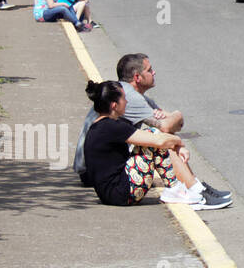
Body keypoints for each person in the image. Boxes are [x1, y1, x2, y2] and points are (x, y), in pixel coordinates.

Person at [80, 79, 231, 210]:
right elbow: (157, 140)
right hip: (122, 193)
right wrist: (179, 143)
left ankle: (186, 188)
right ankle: (177, 189)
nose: (126, 102)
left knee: (154, 135)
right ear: (114, 105)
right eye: (124, 99)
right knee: (154, 137)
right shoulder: (111, 127)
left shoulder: (101, 126)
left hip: (112, 193)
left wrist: (175, 144)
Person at [73, 54, 198, 186]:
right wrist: (177, 115)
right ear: (137, 77)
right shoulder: (129, 97)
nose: (153, 72)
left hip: (99, 170)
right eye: (149, 70)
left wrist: (172, 120)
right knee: (158, 136)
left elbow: (174, 123)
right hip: (96, 174)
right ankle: (191, 187)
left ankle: (191, 184)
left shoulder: (127, 94)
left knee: (160, 136)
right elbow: (167, 126)